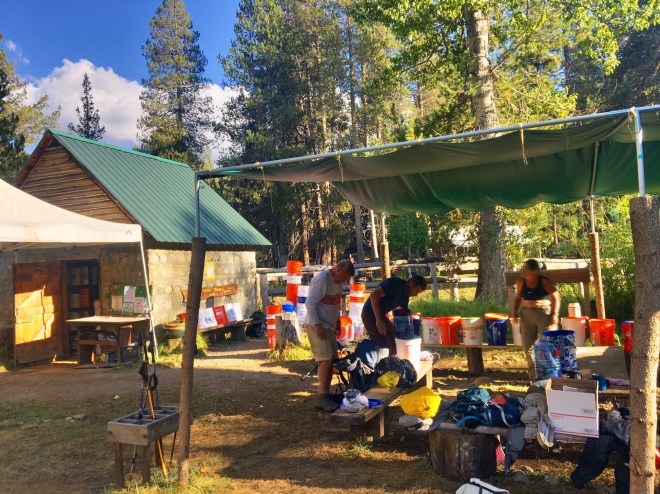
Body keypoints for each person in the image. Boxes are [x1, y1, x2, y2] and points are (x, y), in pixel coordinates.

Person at [304, 259, 355, 412]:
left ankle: (325, 395)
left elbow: (335, 303)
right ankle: (322, 397)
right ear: (338, 269)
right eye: (344, 277)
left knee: (331, 360)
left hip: (329, 325)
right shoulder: (322, 279)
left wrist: (337, 321)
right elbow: (310, 303)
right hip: (318, 325)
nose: (344, 281)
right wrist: (317, 325)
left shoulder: (337, 282)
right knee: (325, 360)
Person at [511, 259, 560, 380]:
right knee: (528, 347)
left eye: (536, 273)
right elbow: (517, 299)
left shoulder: (544, 281)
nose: (534, 276)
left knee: (547, 344)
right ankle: (533, 377)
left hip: (543, 312)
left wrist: (554, 314)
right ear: (525, 272)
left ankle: (549, 375)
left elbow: (556, 297)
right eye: (531, 274)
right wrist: (513, 314)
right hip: (526, 314)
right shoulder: (521, 281)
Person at [361, 275, 427, 357]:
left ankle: (392, 361)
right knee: (385, 347)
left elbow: (404, 314)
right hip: (369, 314)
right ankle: (380, 362)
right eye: (416, 290)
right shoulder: (396, 284)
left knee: (395, 341)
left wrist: (413, 324)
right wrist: (379, 319)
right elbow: (374, 294)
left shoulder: (405, 295)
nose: (416, 294)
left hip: (380, 315)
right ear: (411, 283)